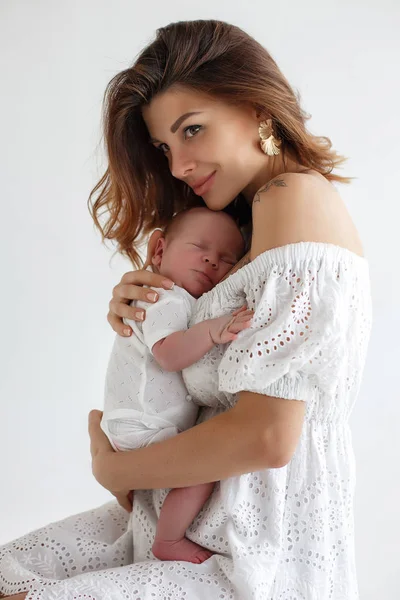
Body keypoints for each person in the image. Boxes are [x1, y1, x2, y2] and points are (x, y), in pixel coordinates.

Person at [0, 18, 372, 600]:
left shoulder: (291, 198)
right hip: (180, 519)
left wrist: (115, 470)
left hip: (249, 551)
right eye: (165, 148)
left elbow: (268, 438)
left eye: (192, 130)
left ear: (256, 108)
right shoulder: (252, 228)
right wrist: (152, 310)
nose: (177, 167)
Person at [101, 205, 254, 564]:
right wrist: (214, 331)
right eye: (199, 247)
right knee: (204, 466)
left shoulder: (180, 300)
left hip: (139, 421)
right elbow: (169, 354)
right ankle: (168, 539)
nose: (211, 261)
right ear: (159, 250)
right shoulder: (164, 297)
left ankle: (99, 437)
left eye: (226, 259)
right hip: (143, 425)